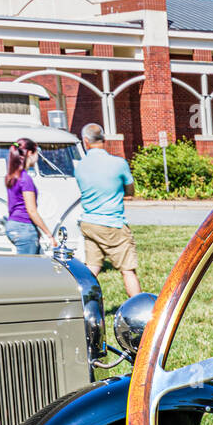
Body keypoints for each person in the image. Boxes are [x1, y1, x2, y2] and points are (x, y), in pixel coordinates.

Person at [74, 123, 139, 296]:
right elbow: (130, 190)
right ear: (104, 140)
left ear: (86, 141)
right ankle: (140, 312)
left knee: (92, 269)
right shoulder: (119, 163)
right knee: (127, 270)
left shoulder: (79, 167)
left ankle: (82, 304)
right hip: (113, 224)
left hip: (89, 224)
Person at [4, 138, 53, 254]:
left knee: (31, 266)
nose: (38, 157)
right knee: (26, 269)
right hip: (24, 227)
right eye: (37, 153)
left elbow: (11, 206)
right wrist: (48, 234)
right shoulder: (25, 179)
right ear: (30, 153)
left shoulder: (11, 177)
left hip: (13, 224)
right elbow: (31, 211)